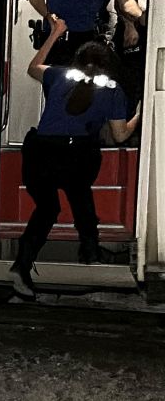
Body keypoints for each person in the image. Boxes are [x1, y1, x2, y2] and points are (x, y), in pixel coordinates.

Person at [9, 16, 139, 297]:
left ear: (77, 61)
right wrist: (139, 114)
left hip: (38, 152)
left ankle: (21, 266)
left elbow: (32, 68)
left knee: (47, 209)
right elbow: (119, 135)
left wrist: (56, 32)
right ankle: (90, 254)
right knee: (82, 202)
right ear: (107, 65)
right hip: (74, 155)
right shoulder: (113, 90)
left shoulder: (59, 75)